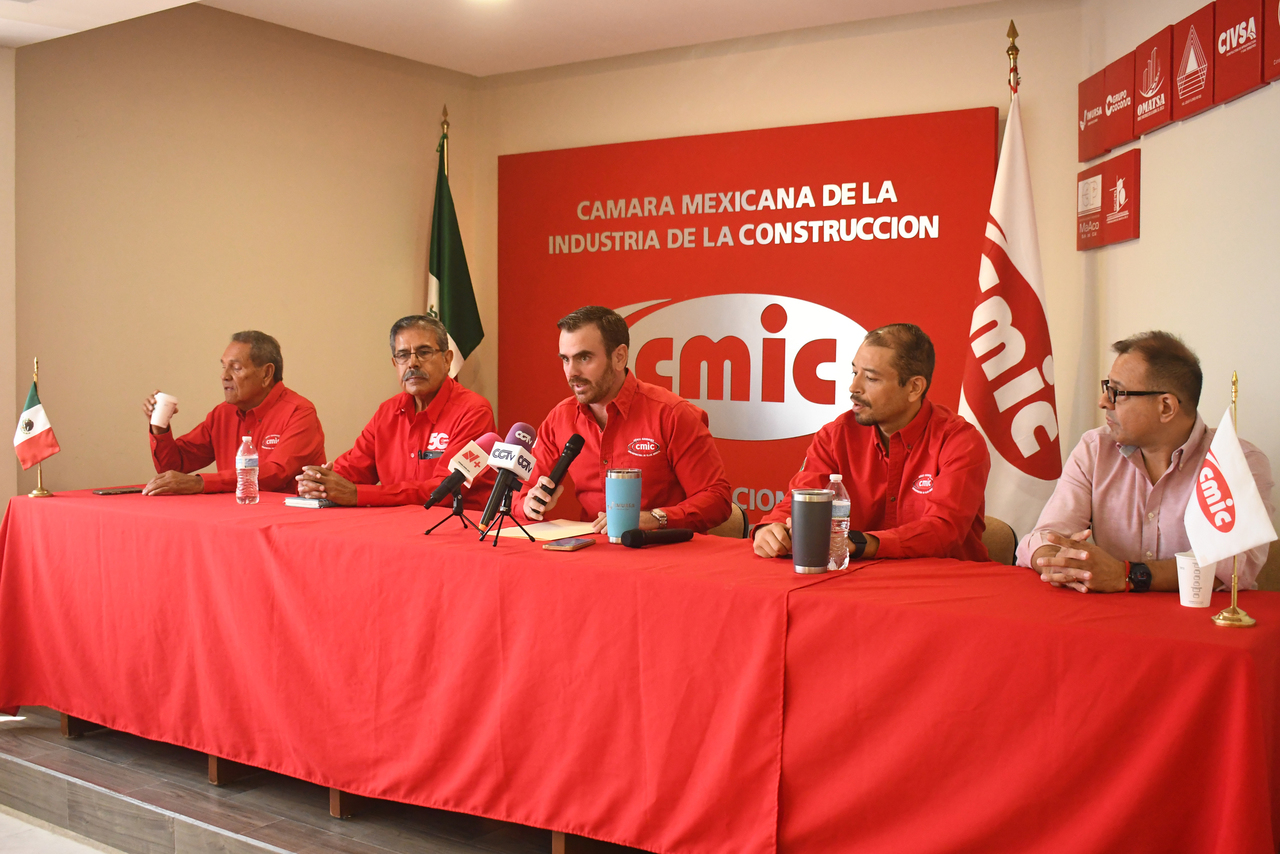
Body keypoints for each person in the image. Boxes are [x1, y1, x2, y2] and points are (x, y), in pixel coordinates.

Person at [1018, 331, 1274, 592]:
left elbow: (1232, 566)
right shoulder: (1095, 449)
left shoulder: (1237, 462)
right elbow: (1043, 538)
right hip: (1113, 611)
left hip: (1204, 615)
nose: (1103, 402)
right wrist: (1054, 561)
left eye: (1117, 392)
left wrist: (1127, 575)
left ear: (1166, 407)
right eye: (1107, 388)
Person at [753, 323, 990, 561]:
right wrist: (771, 529)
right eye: (854, 373)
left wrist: (859, 543)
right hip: (855, 578)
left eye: (871, 378)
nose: (853, 387)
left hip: (945, 579)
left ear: (914, 387)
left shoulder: (960, 442)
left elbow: (943, 531)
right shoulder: (835, 436)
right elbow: (799, 502)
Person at [520, 305, 732, 533]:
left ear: (619, 357)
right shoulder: (560, 418)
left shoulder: (672, 414)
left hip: (660, 547)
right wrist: (528, 504)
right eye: (565, 359)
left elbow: (716, 498)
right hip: (592, 547)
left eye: (584, 358)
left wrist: (654, 519)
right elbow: (522, 491)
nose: (572, 372)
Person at [296, 315, 497, 507]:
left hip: (456, 524)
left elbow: (446, 490)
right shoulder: (388, 411)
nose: (413, 363)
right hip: (395, 523)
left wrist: (359, 494)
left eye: (424, 352)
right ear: (395, 363)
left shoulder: (473, 411)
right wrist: (320, 482)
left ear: (447, 359)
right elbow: (354, 467)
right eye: (403, 355)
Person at [143, 330, 325, 495]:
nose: (224, 376)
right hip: (233, 514)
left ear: (267, 373)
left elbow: (275, 473)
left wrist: (200, 483)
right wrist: (159, 425)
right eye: (223, 367)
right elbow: (174, 466)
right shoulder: (222, 414)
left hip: (286, 515)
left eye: (236, 368)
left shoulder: (299, 412)